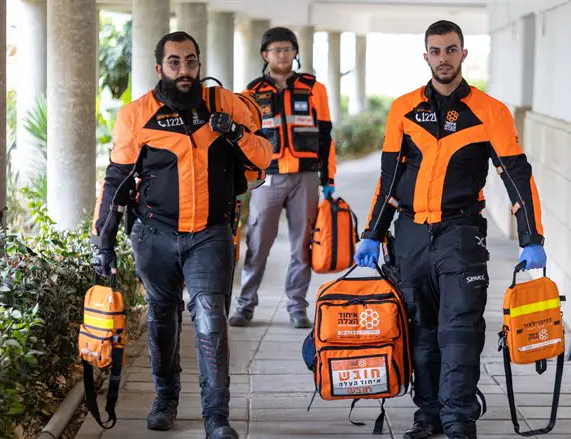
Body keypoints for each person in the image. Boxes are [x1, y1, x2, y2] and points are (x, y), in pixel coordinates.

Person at [354, 20, 547, 439]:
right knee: (421, 330)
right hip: (408, 235)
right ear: (426, 56)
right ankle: (428, 416)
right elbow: (388, 178)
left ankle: (460, 420)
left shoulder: (490, 111)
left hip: (461, 233)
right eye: (436, 51)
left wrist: (531, 238)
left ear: (464, 54)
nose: (444, 58)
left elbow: (516, 175)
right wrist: (372, 233)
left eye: (451, 49)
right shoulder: (403, 109)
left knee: (459, 329)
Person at [91, 31, 272, 439]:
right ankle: (166, 398)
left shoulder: (227, 106)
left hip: (210, 235)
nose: (185, 70)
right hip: (154, 235)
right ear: (160, 68)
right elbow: (117, 180)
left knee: (211, 320)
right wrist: (103, 240)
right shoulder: (135, 115)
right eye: (175, 63)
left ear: (200, 64)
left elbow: (265, 157)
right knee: (162, 319)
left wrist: (236, 134)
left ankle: (217, 417)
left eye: (191, 62)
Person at [229, 27, 337, 329]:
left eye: (288, 49)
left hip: (306, 177)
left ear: (295, 53)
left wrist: (329, 179)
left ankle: (296, 307)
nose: (282, 55)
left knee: (302, 246)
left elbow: (326, 137)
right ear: (265, 55)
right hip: (268, 179)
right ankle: (245, 305)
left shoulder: (315, 88)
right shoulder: (252, 91)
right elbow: (246, 139)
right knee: (258, 244)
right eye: (276, 50)